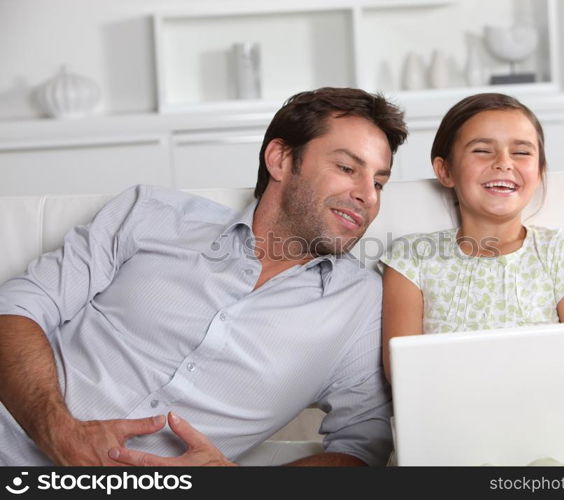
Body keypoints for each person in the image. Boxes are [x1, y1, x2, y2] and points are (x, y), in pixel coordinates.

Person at [0, 87, 408, 466]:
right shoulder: (152, 213)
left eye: (378, 183)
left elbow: (362, 446)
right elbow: (15, 309)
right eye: (346, 167)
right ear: (280, 159)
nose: (368, 197)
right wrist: (58, 430)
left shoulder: (363, 306)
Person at [380, 92, 564, 382]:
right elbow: (401, 372)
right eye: (482, 150)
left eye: (521, 152)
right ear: (446, 170)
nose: (503, 163)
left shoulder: (561, 254)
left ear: (539, 172)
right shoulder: (412, 259)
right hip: (445, 417)